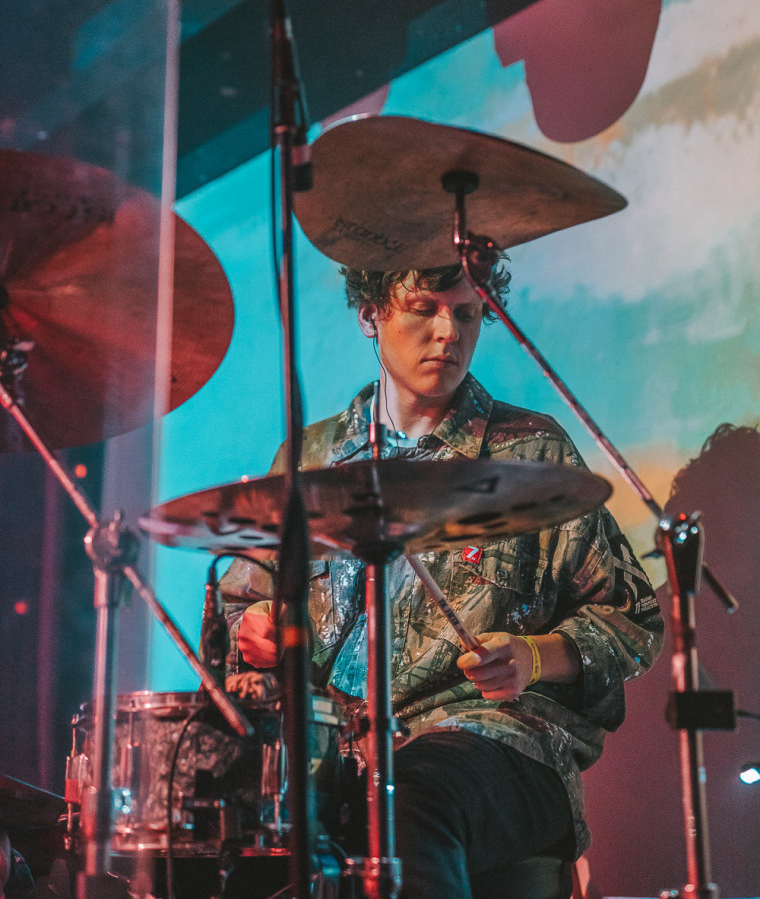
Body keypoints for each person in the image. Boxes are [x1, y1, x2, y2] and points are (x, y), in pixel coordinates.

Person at [212, 263, 663, 899]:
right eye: (425, 308)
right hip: (330, 747)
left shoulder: (531, 452)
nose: (449, 332)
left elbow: (632, 620)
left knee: (406, 798)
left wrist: (535, 656)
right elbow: (240, 608)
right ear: (371, 315)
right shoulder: (308, 460)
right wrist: (253, 628)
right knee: (225, 830)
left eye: (468, 313)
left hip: (495, 738)